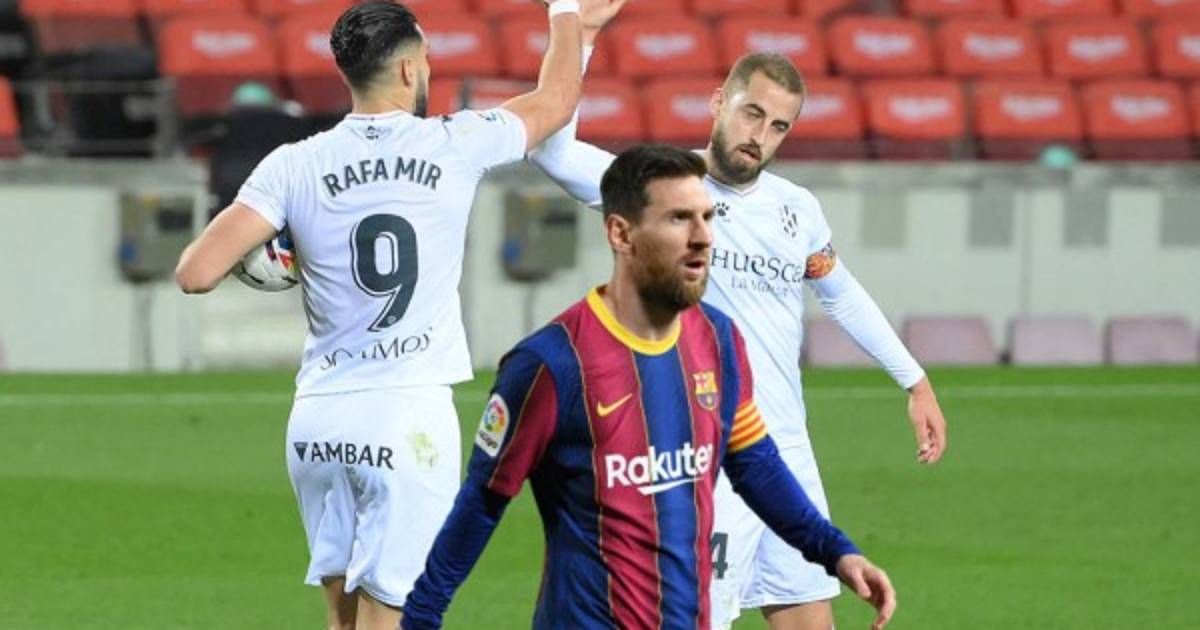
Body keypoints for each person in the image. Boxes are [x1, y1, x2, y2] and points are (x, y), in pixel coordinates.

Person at [174, 1, 627, 628]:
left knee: (343, 622)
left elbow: (195, 272)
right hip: (406, 415)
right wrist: (568, 13)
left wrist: (292, 258)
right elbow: (555, 103)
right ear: (411, 69)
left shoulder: (292, 164)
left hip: (318, 419)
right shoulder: (455, 141)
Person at [527, 48, 948, 630]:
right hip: (701, 455)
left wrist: (915, 381)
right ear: (719, 102)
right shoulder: (658, 187)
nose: (760, 136)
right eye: (752, 114)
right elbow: (552, 152)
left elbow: (841, 294)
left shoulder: (796, 209)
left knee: (810, 618)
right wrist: (581, 35)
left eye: (778, 126)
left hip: (785, 454)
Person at [401, 145, 896, 630]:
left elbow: (755, 463)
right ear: (621, 233)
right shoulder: (550, 364)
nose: (703, 237)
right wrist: (420, 618)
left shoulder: (718, 340)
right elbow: (483, 501)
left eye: (707, 217)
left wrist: (836, 551)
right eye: (679, 219)